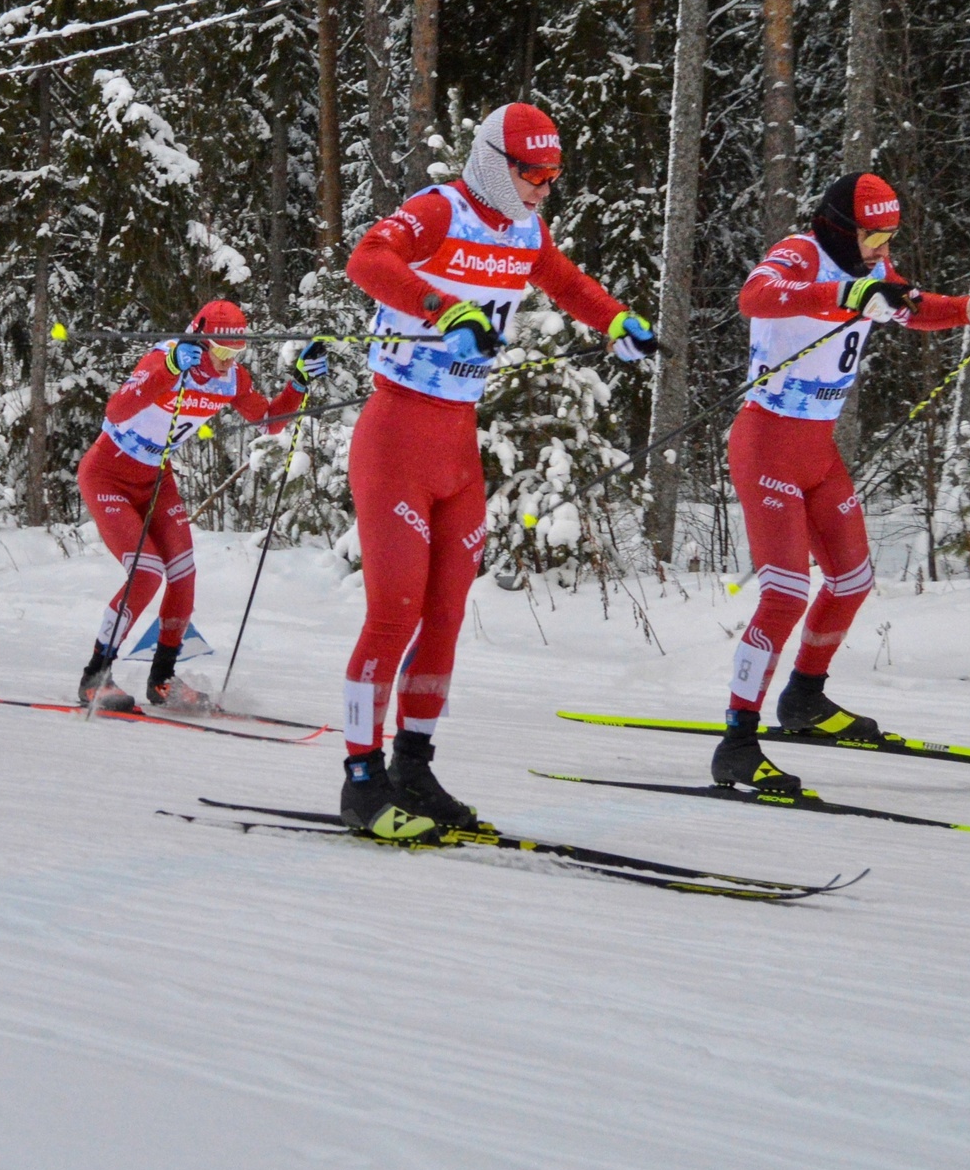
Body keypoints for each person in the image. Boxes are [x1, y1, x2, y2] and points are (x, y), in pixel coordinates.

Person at [338, 102, 659, 840]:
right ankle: (361, 781)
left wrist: (617, 321)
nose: (544, 187)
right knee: (394, 614)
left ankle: (413, 767)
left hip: (456, 443)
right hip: (395, 432)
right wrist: (439, 306)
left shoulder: (524, 229)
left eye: (552, 175)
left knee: (446, 616)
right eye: (532, 173)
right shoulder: (438, 210)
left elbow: (566, 282)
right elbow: (367, 260)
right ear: (493, 162)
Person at [714, 171, 970, 793]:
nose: (883, 245)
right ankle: (737, 742)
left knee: (853, 579)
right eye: (873, 233)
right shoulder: (800, 254)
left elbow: (915, 308)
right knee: (784, 594)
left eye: (890, 233)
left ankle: (804, 698)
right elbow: (756, 298)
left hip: (818, 452)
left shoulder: (875, 267)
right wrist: (848, 296)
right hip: (766, 444)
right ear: (840, 226)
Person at [75, 299, 324, 714]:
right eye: (222, 351)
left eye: (237, 354)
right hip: (108, 474)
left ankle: (162, 680)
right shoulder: (166, 357)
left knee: (183, 574)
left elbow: (267, 420)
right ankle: (94, 678)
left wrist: (297, 385)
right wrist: (171, 367)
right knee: (146, 574)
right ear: (200, 340)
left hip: (156, 477)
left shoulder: (230, 379)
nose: (228, 362)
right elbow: (117, 410)